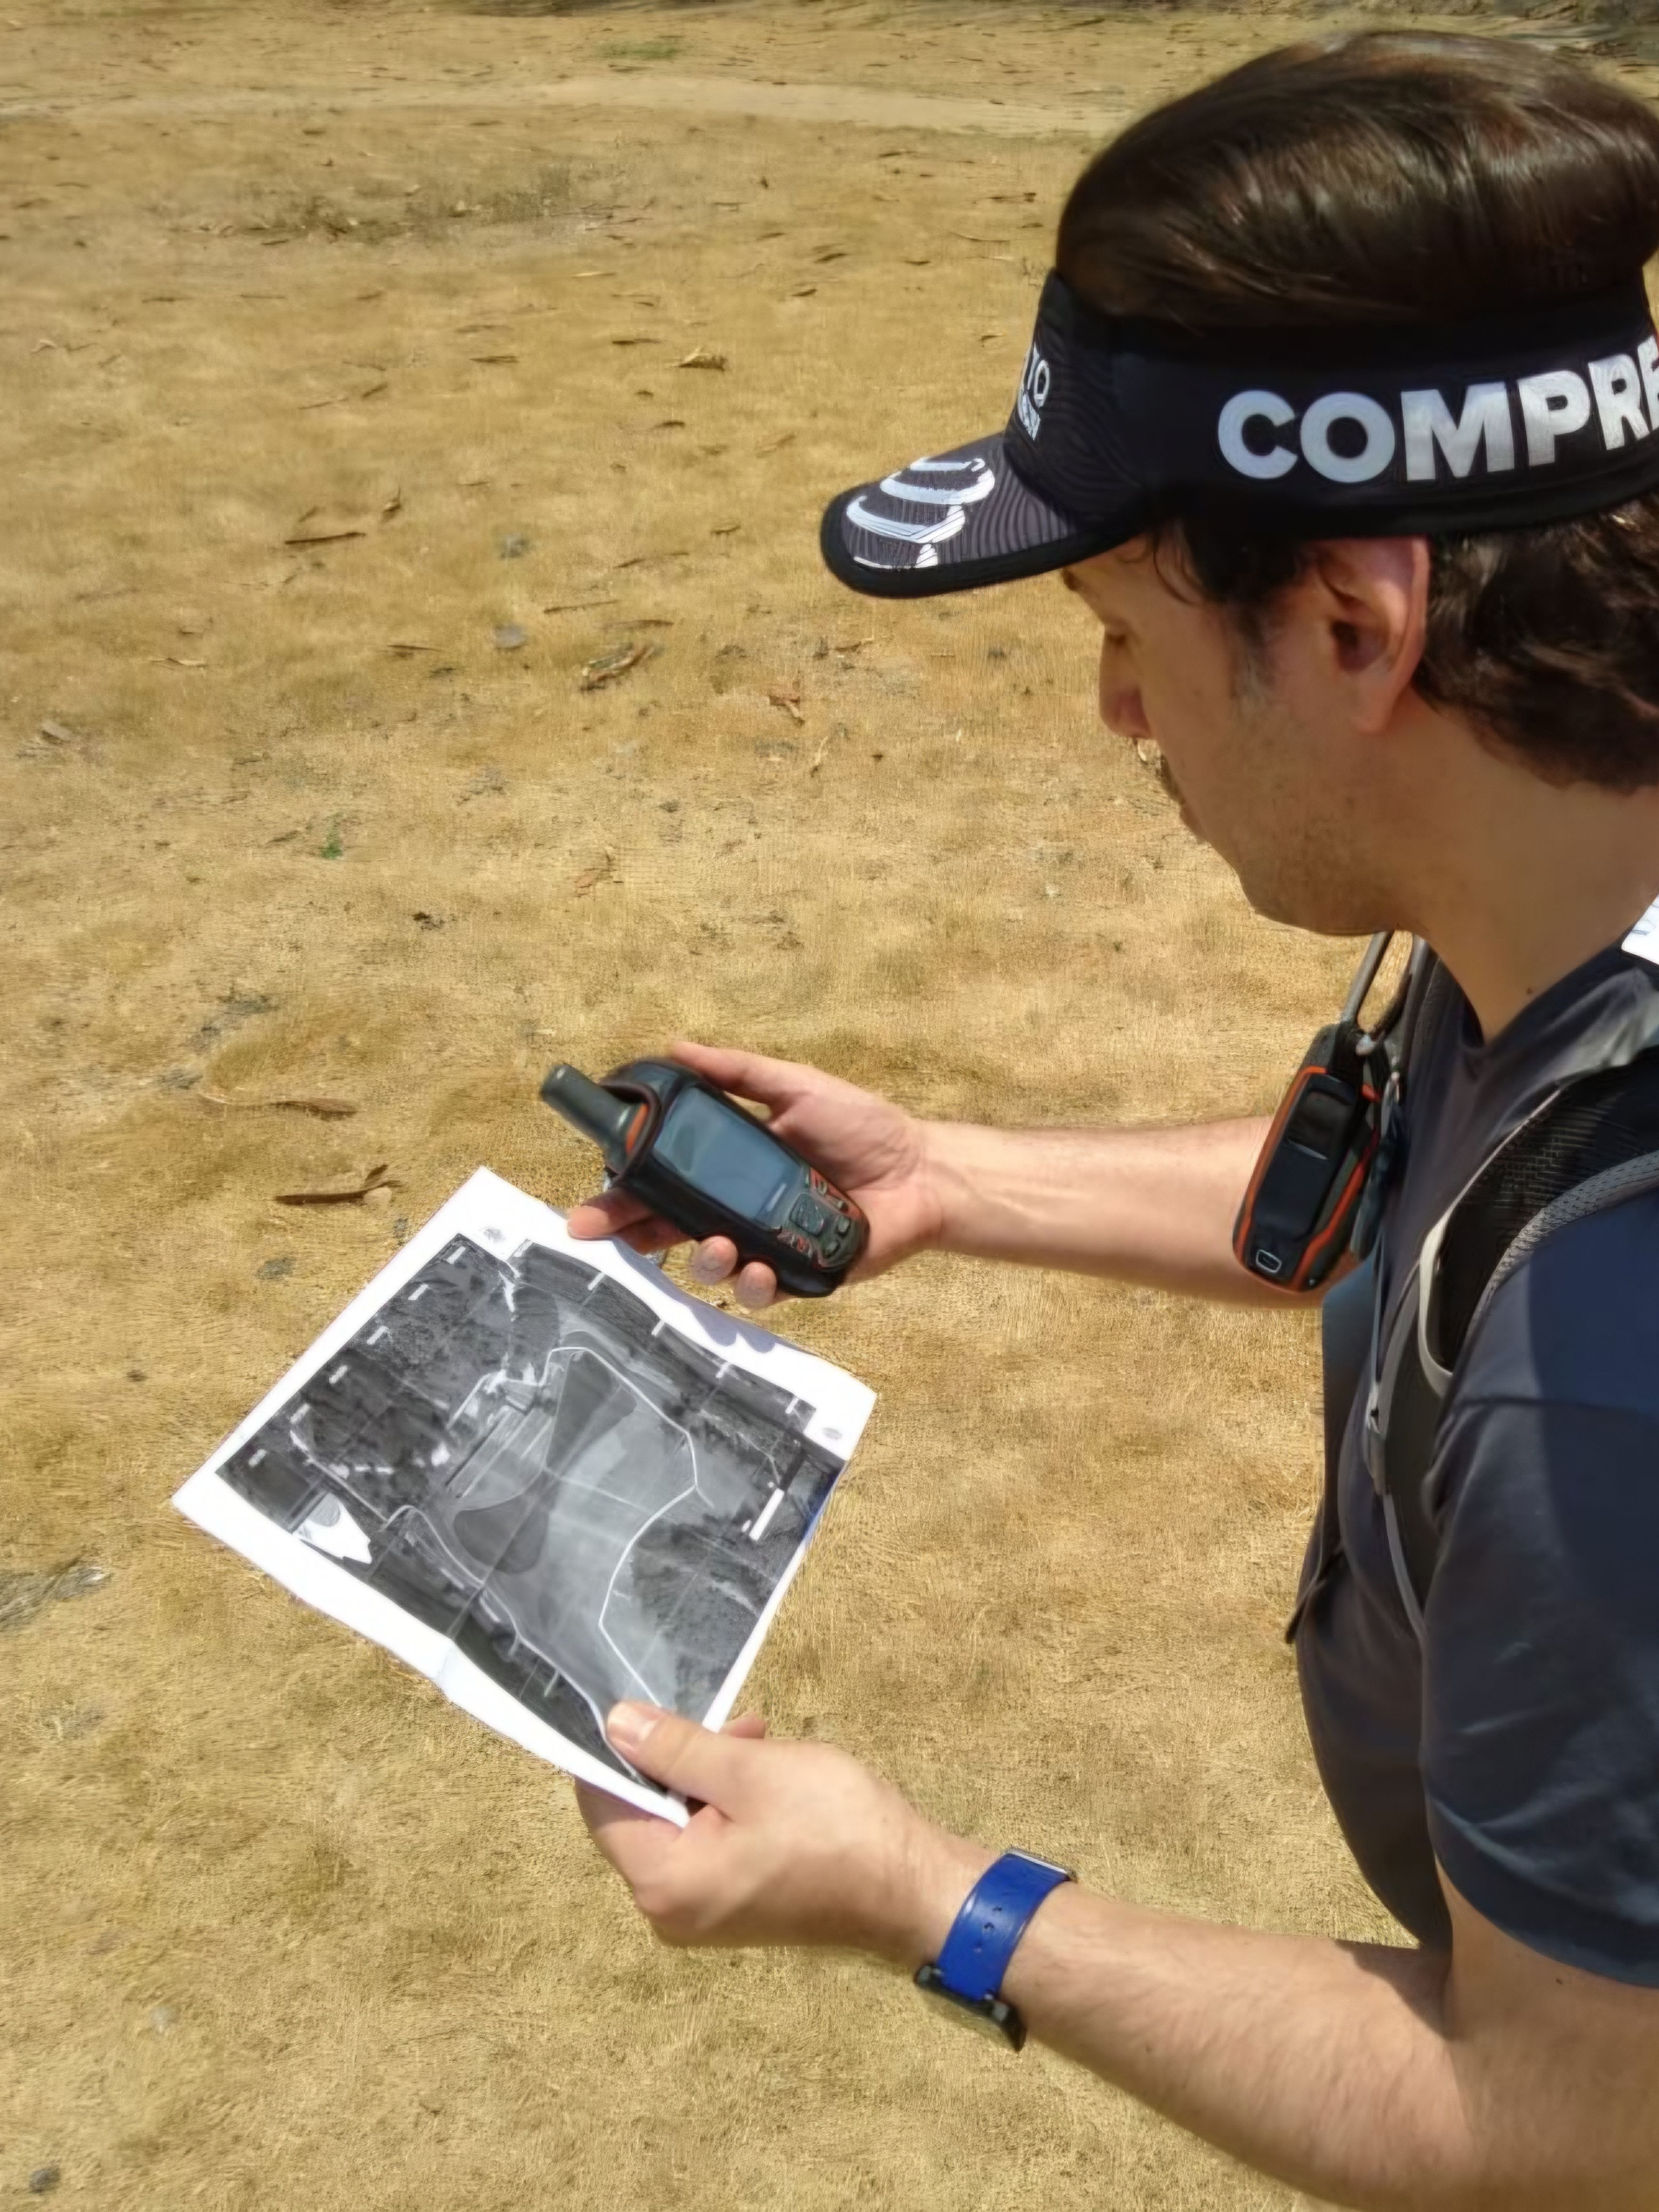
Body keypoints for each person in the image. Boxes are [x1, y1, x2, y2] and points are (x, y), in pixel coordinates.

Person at [567, 34, 1659, 2207]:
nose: (1119, 708)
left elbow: (1570, 2128)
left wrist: (928, 1898)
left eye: (1125, 623)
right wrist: (949, 1180)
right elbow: (1431, 1199)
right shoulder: (1573, 885)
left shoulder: (1610, 1367)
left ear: (1352, 620)